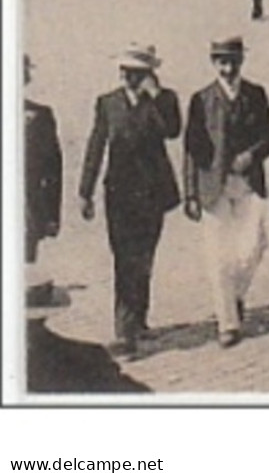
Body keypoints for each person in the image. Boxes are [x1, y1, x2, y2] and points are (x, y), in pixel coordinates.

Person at [78, 45, 182, 356]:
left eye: (135, 72)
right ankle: (124, 332)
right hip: (119, 195)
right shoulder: (107, 103)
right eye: (124, 70)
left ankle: (138, 319)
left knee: (144, 257)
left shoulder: (164, 100)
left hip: (153, 194)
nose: (127, 76)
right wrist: (85, 191)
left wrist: (156, 96)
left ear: (148, 74)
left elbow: (172, 131)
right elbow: (96, 146)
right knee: (125, 260)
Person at [182, 36, 269, 347]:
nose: (228, 67)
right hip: (213, 186)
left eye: (233, 61)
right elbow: (191, 150)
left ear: (241, 62)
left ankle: (234, 296)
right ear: (213, 63)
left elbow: (268, 135)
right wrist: (190, 194)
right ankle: (227, 323)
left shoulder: (256, 94)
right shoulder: (201, 100)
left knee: (254, 246)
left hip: (248, 183)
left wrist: (252, 154)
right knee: (218, 256)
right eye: (222, 61)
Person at [24, 56, 64, 307]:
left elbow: (53, 170)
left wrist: (51, 215)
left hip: (27, 211)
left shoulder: (40, 115)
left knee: (24, 274)